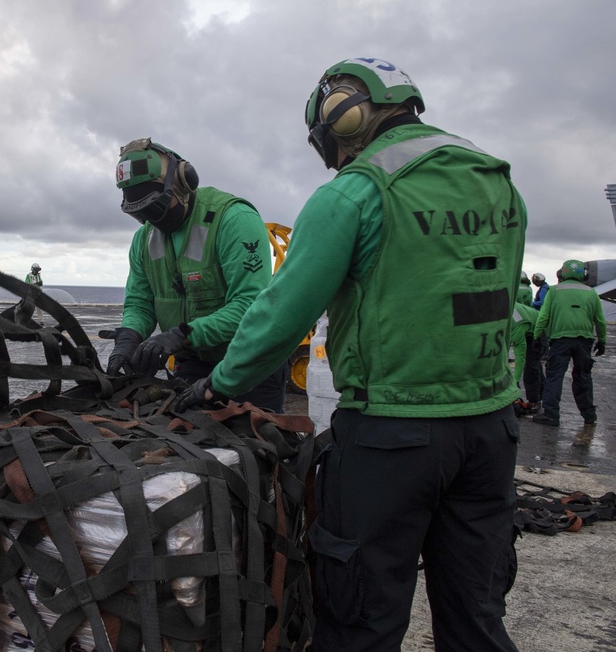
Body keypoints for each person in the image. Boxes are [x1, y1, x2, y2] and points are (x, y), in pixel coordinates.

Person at [176, 57, 525, 650]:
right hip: (492, 429)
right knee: (476, 615)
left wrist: (220, 384)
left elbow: (282, 314)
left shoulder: (353, 194)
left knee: (359, 619)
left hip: (392, 437)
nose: (334, 157)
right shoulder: (498, 182)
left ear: (345, 117)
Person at [107, 137, 288, 412]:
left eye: (155, 207)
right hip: (191, 363)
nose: (151, 221)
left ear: (183, 182)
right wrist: (129, 336)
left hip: (250, 363)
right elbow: (139, 303)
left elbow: (250, 305)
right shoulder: (144, 240)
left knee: (254, 444)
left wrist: (183, 334)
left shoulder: (234, 220)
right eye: (141, 214)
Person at [531, 259, 607, 427]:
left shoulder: (554, 291)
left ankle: (551, 415)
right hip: (584, 341)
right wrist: (602, 341)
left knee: (554, 376)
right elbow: (600, 321)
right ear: (584, 275)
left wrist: (537, 336)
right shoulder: (591, 292)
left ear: (561, 273)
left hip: (560, 340)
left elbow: (543, 316)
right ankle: (589, 415)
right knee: (583, 377)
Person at [511, 301, 543, 413]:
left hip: (540, 328)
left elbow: (520, 358)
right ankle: (541, 392)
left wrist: (515, 381)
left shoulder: (516, 328)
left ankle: (534, 400)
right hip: (527, 323)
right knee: (535, 364)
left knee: (531, 365)